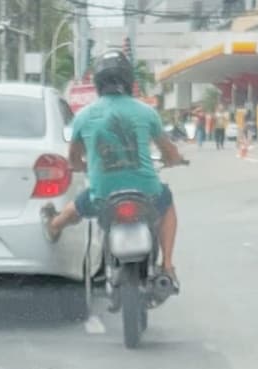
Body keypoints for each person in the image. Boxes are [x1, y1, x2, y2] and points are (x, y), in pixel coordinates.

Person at [41, 50, 185, 288]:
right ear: (129, 80)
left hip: (103, 196)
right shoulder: (146, 112)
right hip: (147, 193)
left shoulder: (83, 116)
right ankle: (168, 266)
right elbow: (169, 152)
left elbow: (73, 160)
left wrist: (86, 166)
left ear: (98, 82)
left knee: (77, 206)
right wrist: (175, 159)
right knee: (167, 202)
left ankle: (53, 226)